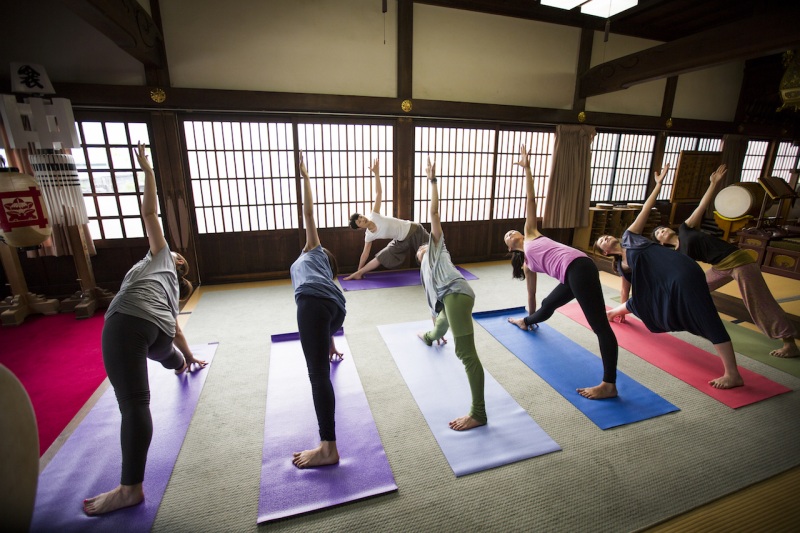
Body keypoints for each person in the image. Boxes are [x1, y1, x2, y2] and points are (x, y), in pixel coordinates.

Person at [84, 143, 207, 516]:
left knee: (134, 404)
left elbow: (149, 211)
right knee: (163, 352)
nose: (176, 255)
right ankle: (177, 367)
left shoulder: (159, 256)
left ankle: (130, 488)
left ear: (173, 258)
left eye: (177, 256)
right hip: (156, 332)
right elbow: (174, 331)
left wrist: (148, 170)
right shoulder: (169, 284)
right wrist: (187, 358)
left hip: (128, 323)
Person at [595, 164, 744, 389]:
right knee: (644, 300)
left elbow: (646, 207)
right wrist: (621, 309)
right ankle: (614, 313)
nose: (606, 237)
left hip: (681, 271)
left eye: (606, 235)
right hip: (667, 283)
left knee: (706, 318)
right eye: (602, 241)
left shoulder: (629, 236)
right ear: (605, 252)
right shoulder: (621, 265)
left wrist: (659, 185)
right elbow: (626, 290)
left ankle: (732, 374)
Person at [503, 144, 619, 400]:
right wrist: (529, 314)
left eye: (512, 231)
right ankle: (526, 322)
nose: (511, 233)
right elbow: (531, 294)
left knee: (600, 326)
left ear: (521, 233)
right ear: (511, 248)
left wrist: (528, 170)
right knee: (548, 303)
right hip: (573, 275)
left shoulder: (532, 232)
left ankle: (609, 384)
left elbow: (531, 201)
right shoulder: (527, 264)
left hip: (580, 266)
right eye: (507, 236)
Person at [652, 165, 799, 358]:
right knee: (694, 290)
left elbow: (701, 206)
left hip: (738, 261)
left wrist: (713, 184)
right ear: (662, 243)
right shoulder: (678, 254)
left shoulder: (686, 229)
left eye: (662, 228)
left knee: (757, 301)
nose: (662, 230)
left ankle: (788, 342)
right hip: (720, 267)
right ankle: (682, 320)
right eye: (658, 233)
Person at [416, 156, 487, 431]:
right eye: (419, 251)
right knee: (440, 322)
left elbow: (434, 214)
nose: (422, 250)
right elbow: (433, 304)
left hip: (457, 293)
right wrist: (433, 327)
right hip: (450, 298)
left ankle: (478, 412)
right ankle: (430, 337)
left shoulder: (437, 249)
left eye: (424, 247)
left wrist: (432, 181)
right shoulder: (426, 272)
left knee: (466, 353)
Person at [290, 154, 347, 468]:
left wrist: (306, 178)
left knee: (317, 376)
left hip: (314, 305)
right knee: (319, 368)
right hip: (334, 309)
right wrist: (331, 342)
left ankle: (328, 448)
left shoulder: (312, 249)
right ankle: (328, 446)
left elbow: (308, 213)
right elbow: (323, 319)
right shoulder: (322, 268)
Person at [344, 157, 430, 280]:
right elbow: (365, 254)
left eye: (361, 217)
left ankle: (437, 274)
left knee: (428, 253)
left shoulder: (374, 215)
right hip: (401, 240)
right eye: (359, 221)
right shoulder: (369, 235)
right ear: (359, 228)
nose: (362, 219)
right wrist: (359, 269)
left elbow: (379, 193)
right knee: (382, 255)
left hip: (414, 230)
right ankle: (359, 273)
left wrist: (377, 174)